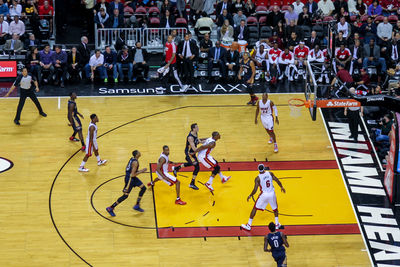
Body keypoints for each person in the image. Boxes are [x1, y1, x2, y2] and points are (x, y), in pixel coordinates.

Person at [241, 164, 285, 231]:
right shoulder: (270, 173)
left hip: (264, 195)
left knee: (255, 208)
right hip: (272, 194)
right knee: (275, 209)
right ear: (264, 168)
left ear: (258, 170)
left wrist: (250, 195)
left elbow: (255, 189)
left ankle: (249, 225)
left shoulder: (257, 178)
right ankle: (277, 224)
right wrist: (281, 187)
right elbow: (277, 180)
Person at [106, 150, 148, 216]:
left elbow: (131, 171)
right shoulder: (135, 162)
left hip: (132, 178)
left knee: (143, 188)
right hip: (130, 179)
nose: (140, 153)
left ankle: (137, 205)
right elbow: (132, 175)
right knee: (125, 196)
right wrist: (142, 171)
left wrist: (139, 171)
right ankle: (111, 208)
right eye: (139, 152)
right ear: (137, 155)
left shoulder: (132, 159)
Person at [172, 123, 206, 190]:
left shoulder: (195, 134)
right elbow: (194, 148)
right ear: (193, 129)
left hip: (192, 153)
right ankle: (192, 183)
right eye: (197, 127)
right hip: (189, 153)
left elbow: (197, 141)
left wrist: (207, 141)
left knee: (192, 163)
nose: (198, 128)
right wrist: (204, 147)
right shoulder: (190, 137)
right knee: (197, 166)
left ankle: (176, 168)